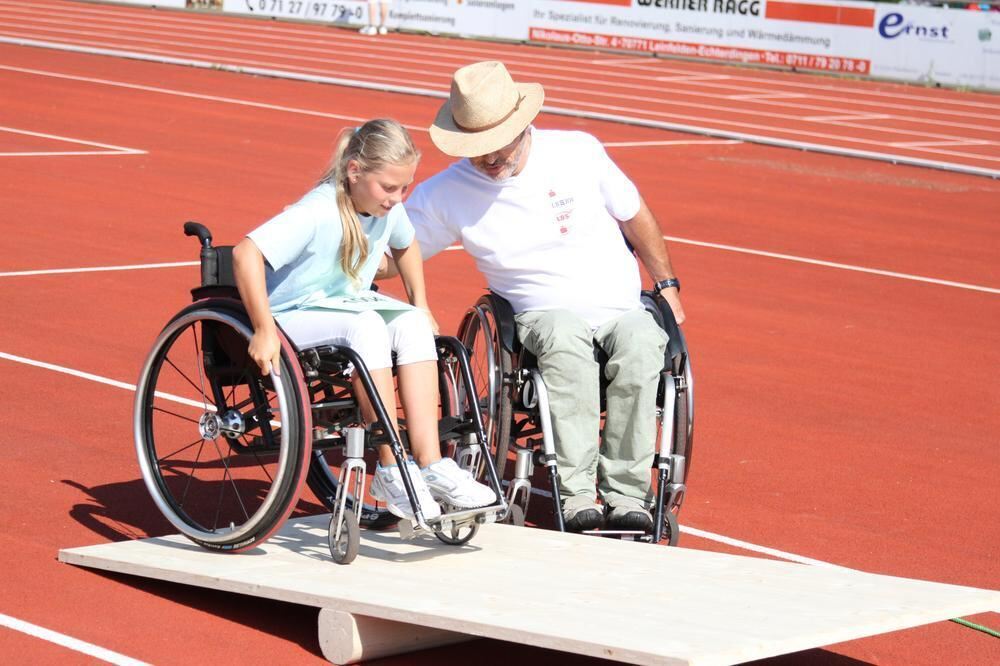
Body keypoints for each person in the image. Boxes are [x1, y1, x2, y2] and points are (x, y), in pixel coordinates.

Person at [402, 61, 686, 533]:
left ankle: (628, 493)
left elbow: (634, 215)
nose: (490, 159)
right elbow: (399, 248)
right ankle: (576, 496)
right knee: (566, 338)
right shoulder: (446, 192)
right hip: (540, 314)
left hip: (620, 306)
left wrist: (667, 284)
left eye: (498, 146)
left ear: (522, 124)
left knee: (642, 344)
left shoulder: (580, 152)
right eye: (477, 151)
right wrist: (354, 235)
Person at [232, 118, 495, 521]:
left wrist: (420, 301)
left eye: (404, 187)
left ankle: (431, 462)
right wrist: (264, 328)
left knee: (410, 323)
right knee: (366, 327)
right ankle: (391, 469)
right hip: (292, 313)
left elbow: (407, 247)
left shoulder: (385, 209)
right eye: (389, 187)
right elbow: (245, 253)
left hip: (342, 304)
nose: (396, 198)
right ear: (354, 171)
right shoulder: (317, 211)